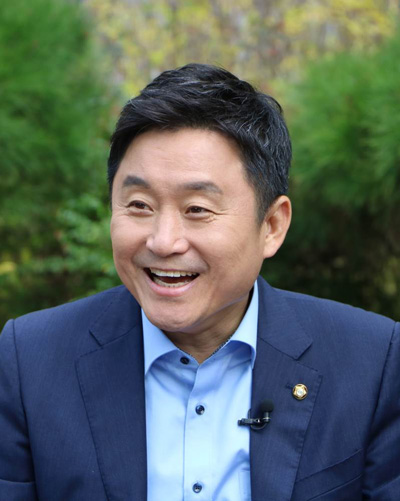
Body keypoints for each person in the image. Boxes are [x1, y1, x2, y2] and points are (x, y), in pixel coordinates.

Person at [0, 63, 399, 501]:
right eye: (139, 204)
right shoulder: (30, 360)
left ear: (272, 225)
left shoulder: (373, 363)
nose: (163, 241)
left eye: (197, 210)